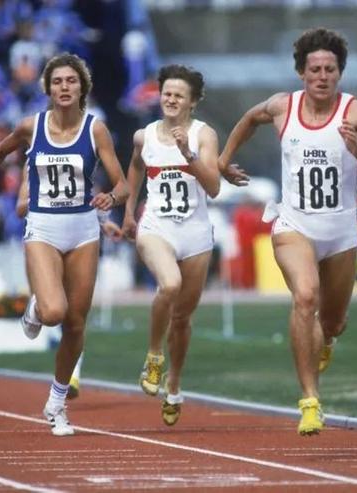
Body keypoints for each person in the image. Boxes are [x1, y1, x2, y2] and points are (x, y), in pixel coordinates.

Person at [218, 28, 357, 435]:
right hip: (293, 224)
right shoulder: (283, 107)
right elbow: (250, 119)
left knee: (333, 322)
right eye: (315, 69)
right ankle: (310, 402)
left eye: (330, 69)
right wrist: (222, 161)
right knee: (305, 297)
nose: (322, 76)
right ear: (302, 73)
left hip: (340, 231)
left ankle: (328, 340)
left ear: (340, 73)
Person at [0, 53, 129, 436]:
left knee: (75, 322)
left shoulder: (95, 129)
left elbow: (122, 184)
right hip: (43, 227)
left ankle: (56, 404)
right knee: (55, 311)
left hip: (84, 229)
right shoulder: (30, 126)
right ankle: (39, 304)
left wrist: (113, 199)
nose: (65, 87)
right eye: (58, 82)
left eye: (72, 81)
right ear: (48, 88)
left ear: (82, 87)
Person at [122, 64, 220, 426]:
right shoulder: (143, 136)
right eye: (167, 93)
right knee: (170, 285)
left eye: (179, 95)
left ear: (192, 102)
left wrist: (188, 155)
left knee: (182, 318)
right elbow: (133, 168)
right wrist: (129, 212)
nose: (172, 99)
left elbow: (213, 187)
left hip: (195, 233)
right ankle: (152, 355)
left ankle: (174, 384)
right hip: (156, 227)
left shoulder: (204, 136)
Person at [15, 163, 123, 400]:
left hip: (78, 239)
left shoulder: (80, 157)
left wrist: (104, 222)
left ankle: (72, 374)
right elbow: (20, 208)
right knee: (53, 311)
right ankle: (35, 306)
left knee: (75, 317)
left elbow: (83, 201)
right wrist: (39, 200)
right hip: (42, 240)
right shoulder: (34, 162)